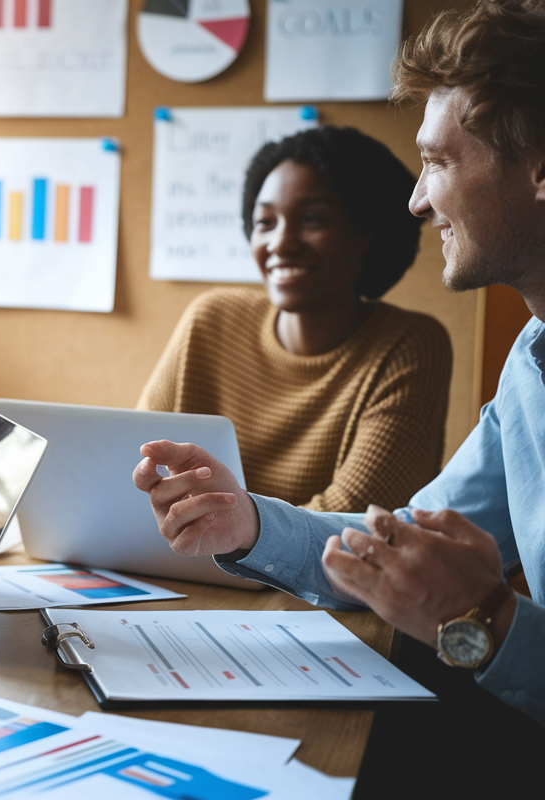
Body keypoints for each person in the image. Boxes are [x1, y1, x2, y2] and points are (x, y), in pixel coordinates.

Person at [133, 0, 545, 793]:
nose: (418, 201)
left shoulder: (422, 345)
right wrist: (246, 521)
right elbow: (397, 535)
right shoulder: (531, 363)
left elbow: (466, 616)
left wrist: (482, 622)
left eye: (439, 162)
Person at [138, 126, 452, 513]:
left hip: (301, 573)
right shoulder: (211, 319)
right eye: (266, 223)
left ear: (367, 234)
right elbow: (135, 470)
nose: (281, 244)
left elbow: (350, 524)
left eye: (313, 219)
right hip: (172, 565)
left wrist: (225, 539)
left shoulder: (410, 345)